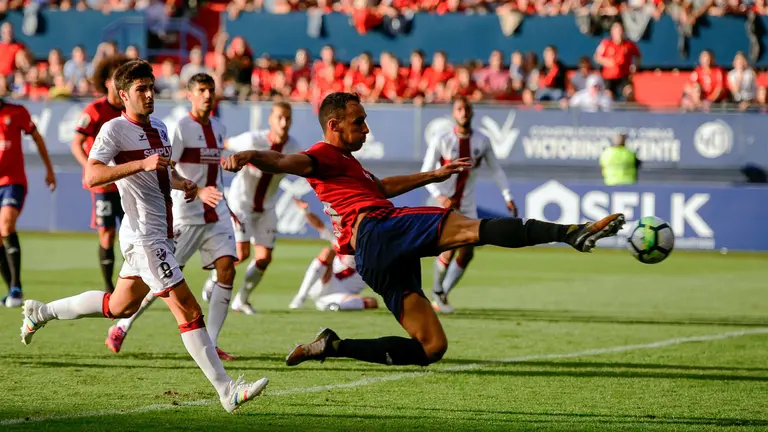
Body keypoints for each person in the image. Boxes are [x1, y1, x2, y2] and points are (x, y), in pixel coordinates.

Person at [221, 92, 626, 368]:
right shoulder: (320, 154)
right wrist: (250, 155)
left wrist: (434, 173)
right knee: (472, 231)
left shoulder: (349, 164)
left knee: (432, 348)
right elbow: (282, 161)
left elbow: (381, 188)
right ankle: (571, 232)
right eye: (358, 122)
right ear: (333, 125)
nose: (366, 129)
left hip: (372, 255)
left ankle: (333, 345)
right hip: (380, 229)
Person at [20, 60, 267, 412]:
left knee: (118, 305)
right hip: (144, 238)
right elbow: (91, 177)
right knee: (188, 308)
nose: (149, 94)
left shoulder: (161, 129)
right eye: (141, 89)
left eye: (151, 87)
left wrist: (181, 183)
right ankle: (227, 391)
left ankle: (41, 312)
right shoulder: (113, 130)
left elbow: (160, 174)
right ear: (124, 95)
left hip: (161, 235)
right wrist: (140, 164)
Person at [104, 73, 238, 361]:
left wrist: (227, 203)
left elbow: (213, 172)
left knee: (227, 268)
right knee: (162, 280)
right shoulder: (179, 128)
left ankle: (212, 342)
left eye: (211, 90)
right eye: (201, 90)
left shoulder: (220, 126)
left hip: (217, 212)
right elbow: (166, 168)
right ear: (190, 94)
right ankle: (122, 325)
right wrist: (197, 191)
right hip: (186, 213)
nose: (207, 95)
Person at [201, 101, 302, 315]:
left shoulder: (294, 147)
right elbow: (224, 144)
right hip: (242, 202)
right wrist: (218, 162)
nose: (284, 123)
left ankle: (242, 300)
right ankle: (213, 278)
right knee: (241, 253)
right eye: (279, 118)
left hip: (267, 206)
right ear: (271, 120)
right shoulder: (252, 139)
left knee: (264, 258)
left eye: (288, 118)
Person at [421, 97, 517, 314]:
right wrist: (438, 196)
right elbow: (426, 170)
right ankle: (437, 292)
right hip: (445, 205)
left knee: (467, 253)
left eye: (467, 109)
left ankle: (440, 293)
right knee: (449, 250)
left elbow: (496, 169)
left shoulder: (482, 140)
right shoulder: (442, 139)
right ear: (454, 114)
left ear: (472, 113)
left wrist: (507, 195)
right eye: (460, 109)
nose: (464, 112)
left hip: (468, 206)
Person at [71, 55, 130, 293]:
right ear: (106, 82)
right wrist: (90, 168)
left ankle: (133, 284)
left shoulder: (129, 111)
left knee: (133, 233)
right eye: (115, 79)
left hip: (127, 181)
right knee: (106, 233)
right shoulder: (95, 109)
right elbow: (76, 143)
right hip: (104, 185)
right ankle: (108, 287)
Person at [0, 101, 56, 308]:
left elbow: (37, 137)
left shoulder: (16, 112)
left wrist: (49, 169)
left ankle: (14, 286)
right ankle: (13, 289)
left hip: (12, 182)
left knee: (6, 225)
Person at [289, 199, 378, 312]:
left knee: (372, 302)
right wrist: (306, 211)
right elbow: (319, 225)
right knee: (327, 252)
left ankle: (330, 305)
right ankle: (300, 297)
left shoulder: (377, 253)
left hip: (343, 294)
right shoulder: (344, 238)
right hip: (326, 281)